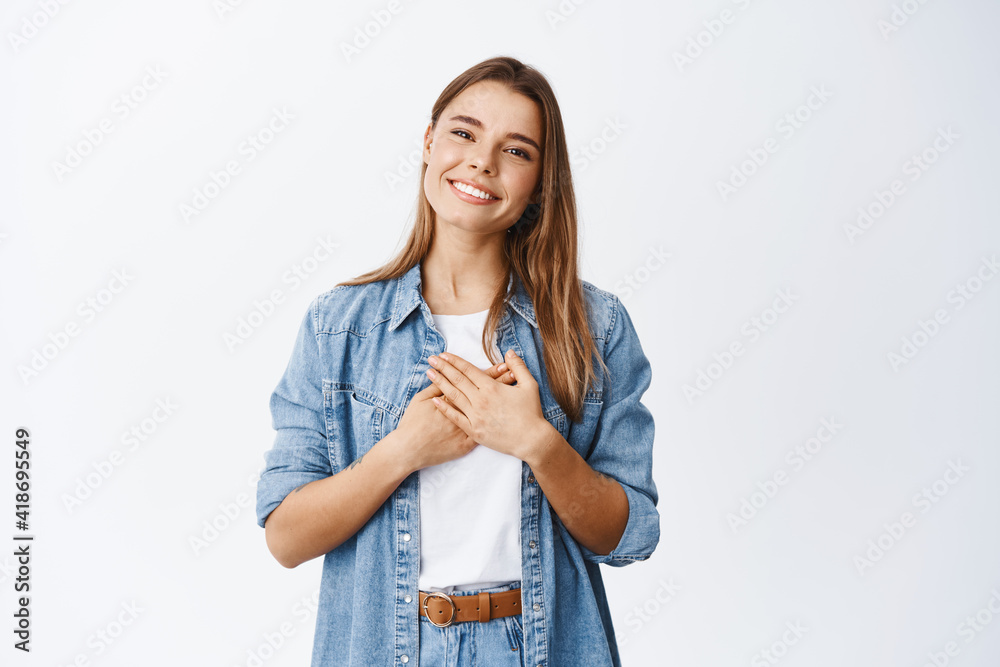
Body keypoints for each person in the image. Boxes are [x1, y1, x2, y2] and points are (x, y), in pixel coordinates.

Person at [255, 55, 659, 667]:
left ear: (541, 182)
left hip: (542, 647)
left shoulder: (592, 329)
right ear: (428, 143)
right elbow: (285, 538)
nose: (482, 161)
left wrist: (536, 441)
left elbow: (629, 538)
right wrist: (402, 450)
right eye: (464, 133)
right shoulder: (338, 327)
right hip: (387, 647)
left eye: (516, 151)